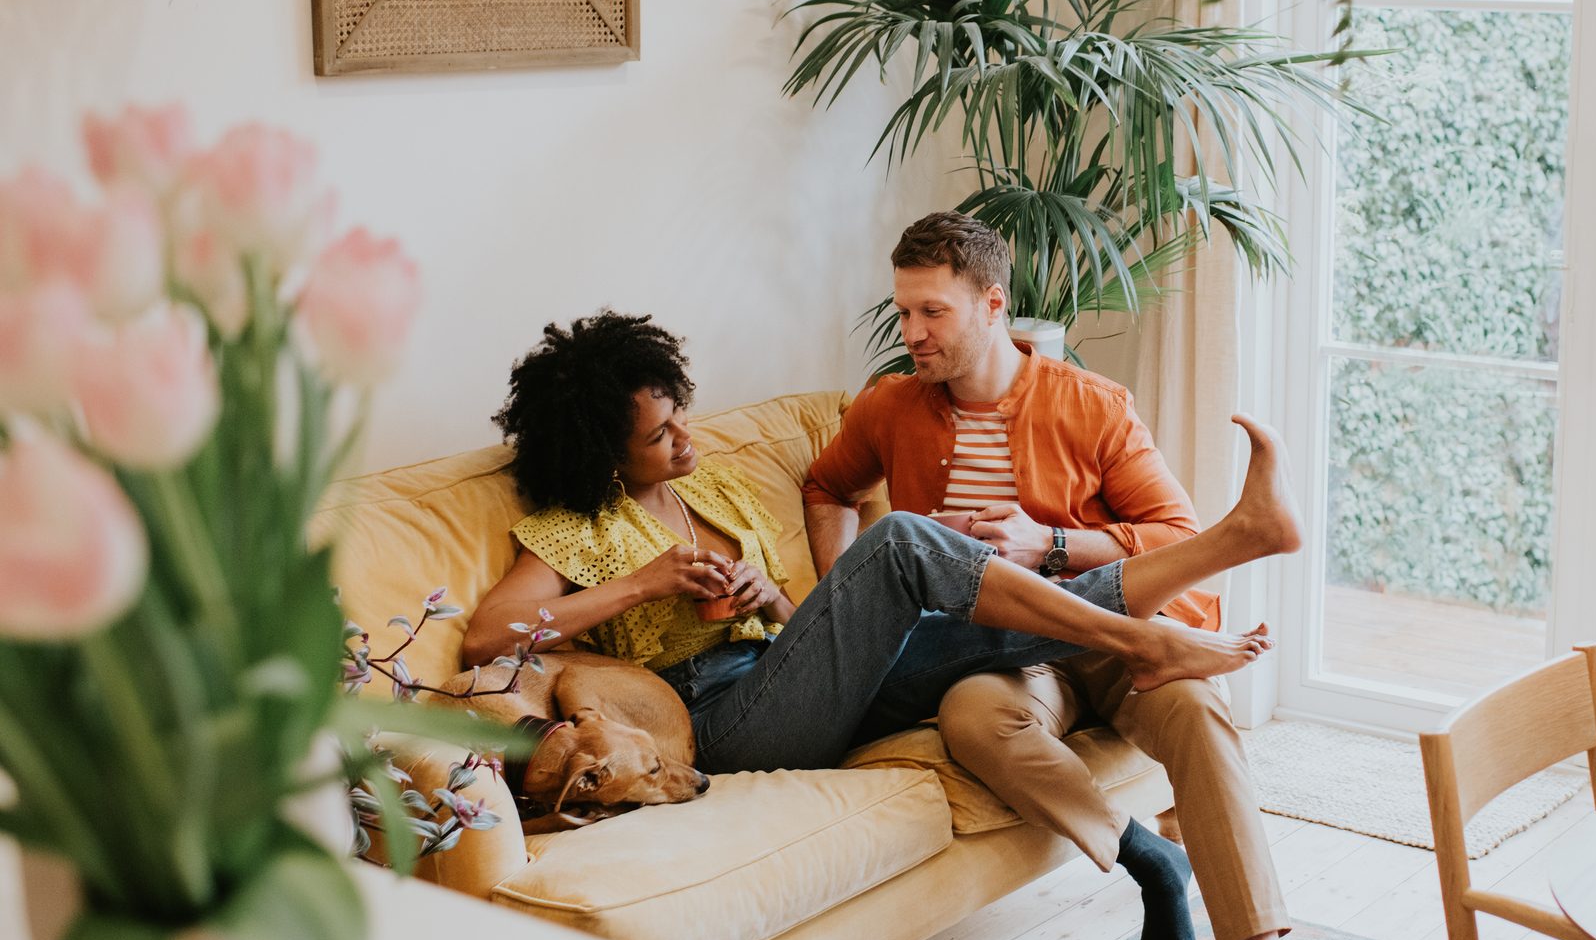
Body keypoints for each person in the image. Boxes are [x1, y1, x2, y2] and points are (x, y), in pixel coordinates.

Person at [801, 213, 1355, 940]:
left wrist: (1050, 542)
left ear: (993, 304)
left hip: (1106, 635)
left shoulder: (1090, 403)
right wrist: (840, 601)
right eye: (902, 314)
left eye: (931, 313)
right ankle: (1150, 863)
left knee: (1194, 716)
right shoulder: (887, 407)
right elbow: (827, 487)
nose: (911, 336)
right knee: (974, 719)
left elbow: (1169, 535)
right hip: (991, 657)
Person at [459, 311, 1293, 779]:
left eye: (680, 412)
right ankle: (1150, 636)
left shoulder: (706, 487)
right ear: (602, 456)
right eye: (657, 436)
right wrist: (641, 584)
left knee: (983, 626)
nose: (684, 439)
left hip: (782, 673)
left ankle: (1231, 540)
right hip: (718, 721)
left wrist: (770, 596)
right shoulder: (577, 528)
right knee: (897, 541)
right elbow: (488, 638)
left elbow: (787, 629)